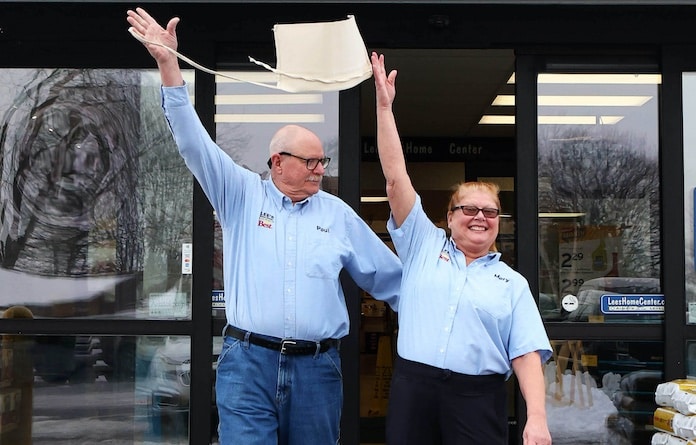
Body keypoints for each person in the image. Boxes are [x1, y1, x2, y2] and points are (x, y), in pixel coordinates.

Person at [126, 8, 402, 445]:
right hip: (248, 364)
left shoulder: (337, 214)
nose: (318, 170)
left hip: (318, 369)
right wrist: (168, 64)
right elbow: (193, 142)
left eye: (321, 162)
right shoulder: (241, 195)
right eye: (309, 162)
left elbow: (392, 280)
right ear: (277, 162)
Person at [371, 51, 553, 445]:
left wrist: (536, 419)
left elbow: (526, 355)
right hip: (413, 391)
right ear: (449, 217)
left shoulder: (511, 283)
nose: (479, 217)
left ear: (498, 222)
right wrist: (385, 107)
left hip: (477, 399)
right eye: (468, 208)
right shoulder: (422, 244)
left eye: (490, 211)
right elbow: (395, 177)